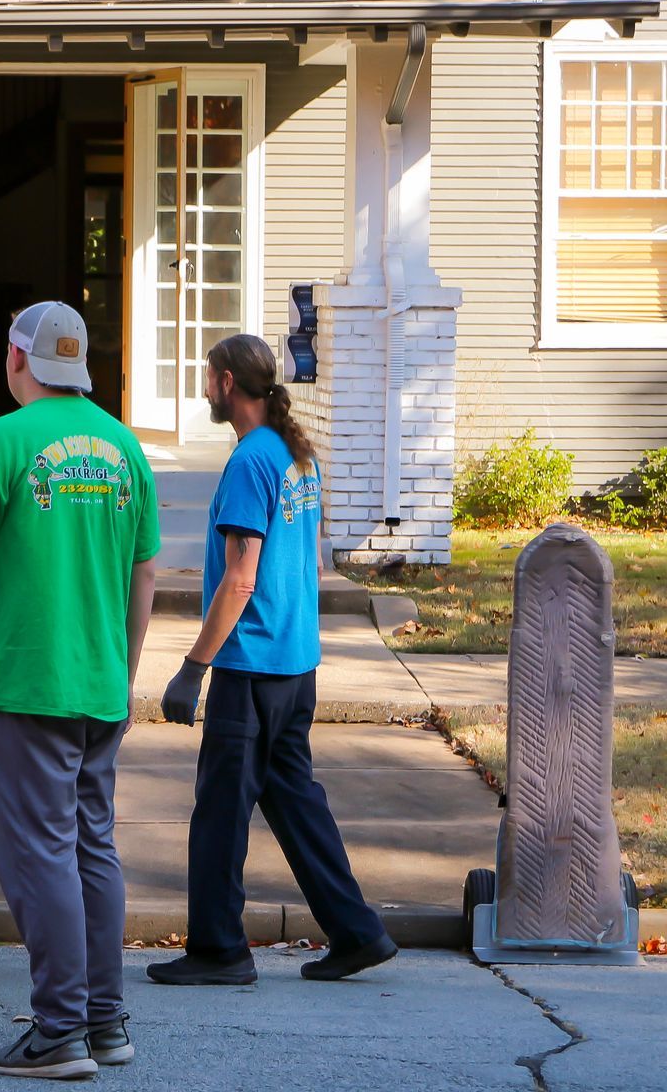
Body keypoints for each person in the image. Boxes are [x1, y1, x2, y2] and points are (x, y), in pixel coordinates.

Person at [0, 302, 159, 1079]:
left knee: (41, 856)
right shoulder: (125, 448)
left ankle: (57, 1032)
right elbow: (145, 574)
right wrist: (125, 669)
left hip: (25, 683)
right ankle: (105, 1023)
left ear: (18, 362)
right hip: (99, 684)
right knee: (92, 850)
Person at [147, 333, 398, 986]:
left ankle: (218, 951)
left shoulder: (249, 463)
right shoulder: (296, 455)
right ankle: (358, 930)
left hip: (250, 666)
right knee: (294, 801)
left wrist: (193, 668)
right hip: (295, 662)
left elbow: (241, 578)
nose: (205, 389)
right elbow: (308, 559)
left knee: (221, 811)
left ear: (229, 382)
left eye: (208, 378)